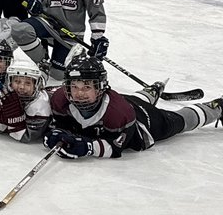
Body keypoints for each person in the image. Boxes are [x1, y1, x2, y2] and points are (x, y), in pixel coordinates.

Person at [44, 54, 222, 159]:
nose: (79, 93)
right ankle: (153, 90)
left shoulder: (118, 113)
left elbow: (116, 147)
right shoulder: (60, 99)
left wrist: (88, 147)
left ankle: (216, 107)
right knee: (135, 99)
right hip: (126, 100)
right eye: (74, 87)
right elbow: (59, 124)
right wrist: (55, 132)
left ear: (100, 87)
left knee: (180, 120)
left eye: (87, 87)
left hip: (145, 120)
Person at [0, 54, 51, 143]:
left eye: (28, 83)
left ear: (35, 85)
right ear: (10, 82)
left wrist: (15, 119)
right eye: (17, 81)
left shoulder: (40, 104)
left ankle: (44, 71)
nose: (21, 87)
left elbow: (28, 137)